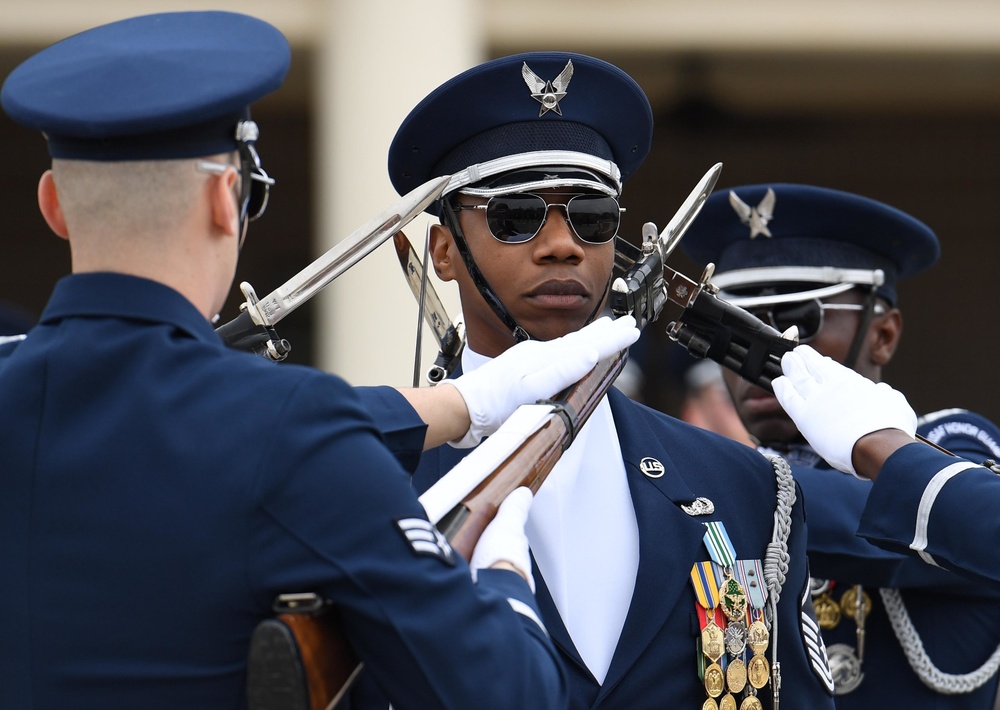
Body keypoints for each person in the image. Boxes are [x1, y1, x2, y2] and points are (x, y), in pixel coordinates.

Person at [0, 12, 648, 708]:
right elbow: (506, 694)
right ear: (229, 199)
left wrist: (461, 405)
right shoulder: (290, 428)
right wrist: (504, 582)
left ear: (54, 207)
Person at [351, 52, 837, 709]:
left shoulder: (741, 486)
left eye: (593, 216)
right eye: (516, 216)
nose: (563, 244)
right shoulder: (367, 478)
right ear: (444, 251)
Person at [682, 183, 1000, 706]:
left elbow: (912, 519)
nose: (762, 352)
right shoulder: (715, 479)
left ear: (884, 334)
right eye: (736, 328)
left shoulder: (949, 444)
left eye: (800, 321)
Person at [773, 344, 1000, 587]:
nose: (779, 356)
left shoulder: (953, 436)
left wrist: (881, 444)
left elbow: (965, 524)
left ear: (882, 336)